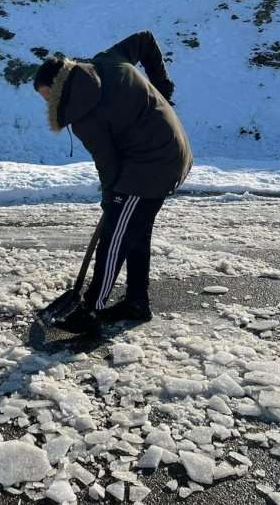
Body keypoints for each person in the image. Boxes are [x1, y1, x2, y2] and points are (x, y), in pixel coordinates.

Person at [33, 30, 193, 333]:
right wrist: (162, 88)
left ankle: (91, 308)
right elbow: (146, 40)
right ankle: (136, 302)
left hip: (150, 164)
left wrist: (112, 201)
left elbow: (109, 165)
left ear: (57, 88)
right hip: (172, 148)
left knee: (115, 235)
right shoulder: (106, 62)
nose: (47, 104)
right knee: (134, 228)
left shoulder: (82, 115)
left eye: (46, 96)